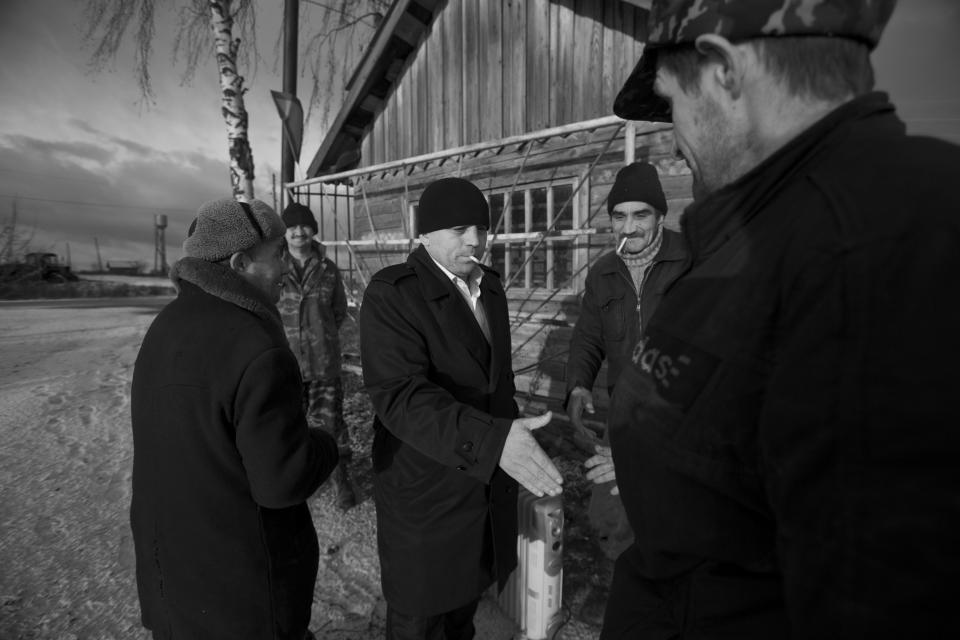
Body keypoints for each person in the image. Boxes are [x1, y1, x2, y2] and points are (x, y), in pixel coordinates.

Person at [603, 0, 960, 637]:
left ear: (723, 71)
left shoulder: (875, 254)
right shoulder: (771, 232)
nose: (676, 138)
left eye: (672, 103)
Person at [359, 177, 564, 640]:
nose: (474, 240)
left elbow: (498, 384)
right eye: (458, 229)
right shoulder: (394, 293)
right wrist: (495, 441)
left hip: (482, 485)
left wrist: (515, 440)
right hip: (425, 490)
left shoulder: (489, 287)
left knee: (464, 608)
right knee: (422, 617)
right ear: (425, 234)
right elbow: (401, 396)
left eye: (481, 227)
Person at [130, 197, 340, 640]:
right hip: (244, 593)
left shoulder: (164, 327)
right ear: (241, 262)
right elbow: (282, 481)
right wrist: (325, 443)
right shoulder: (257, 347)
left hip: (173, 579)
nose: (287, 265)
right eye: (278, 254)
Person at [565, 161, 687, 562]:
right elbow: (587, 337)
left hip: (680, 419)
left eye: (641, 215)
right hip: (622, 420)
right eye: (619, 216)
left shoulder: (691, 263)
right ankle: (627, 600)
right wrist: (578, 385)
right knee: (611, 519)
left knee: (672, 518)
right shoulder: (603, 274)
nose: (629, 228)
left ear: (661, 216)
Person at [278, 201, 355, 511]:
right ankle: (297, 482)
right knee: (288, 426)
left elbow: (338, 311)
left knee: (331, 423)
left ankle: (341, 479)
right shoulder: (274, 266)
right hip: (286, 365)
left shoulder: (328, 268)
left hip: (324, 362)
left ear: (313, 229)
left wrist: (319, 336)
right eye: (292, 226)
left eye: (304, 225)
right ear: (283, 232)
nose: (298, 231)